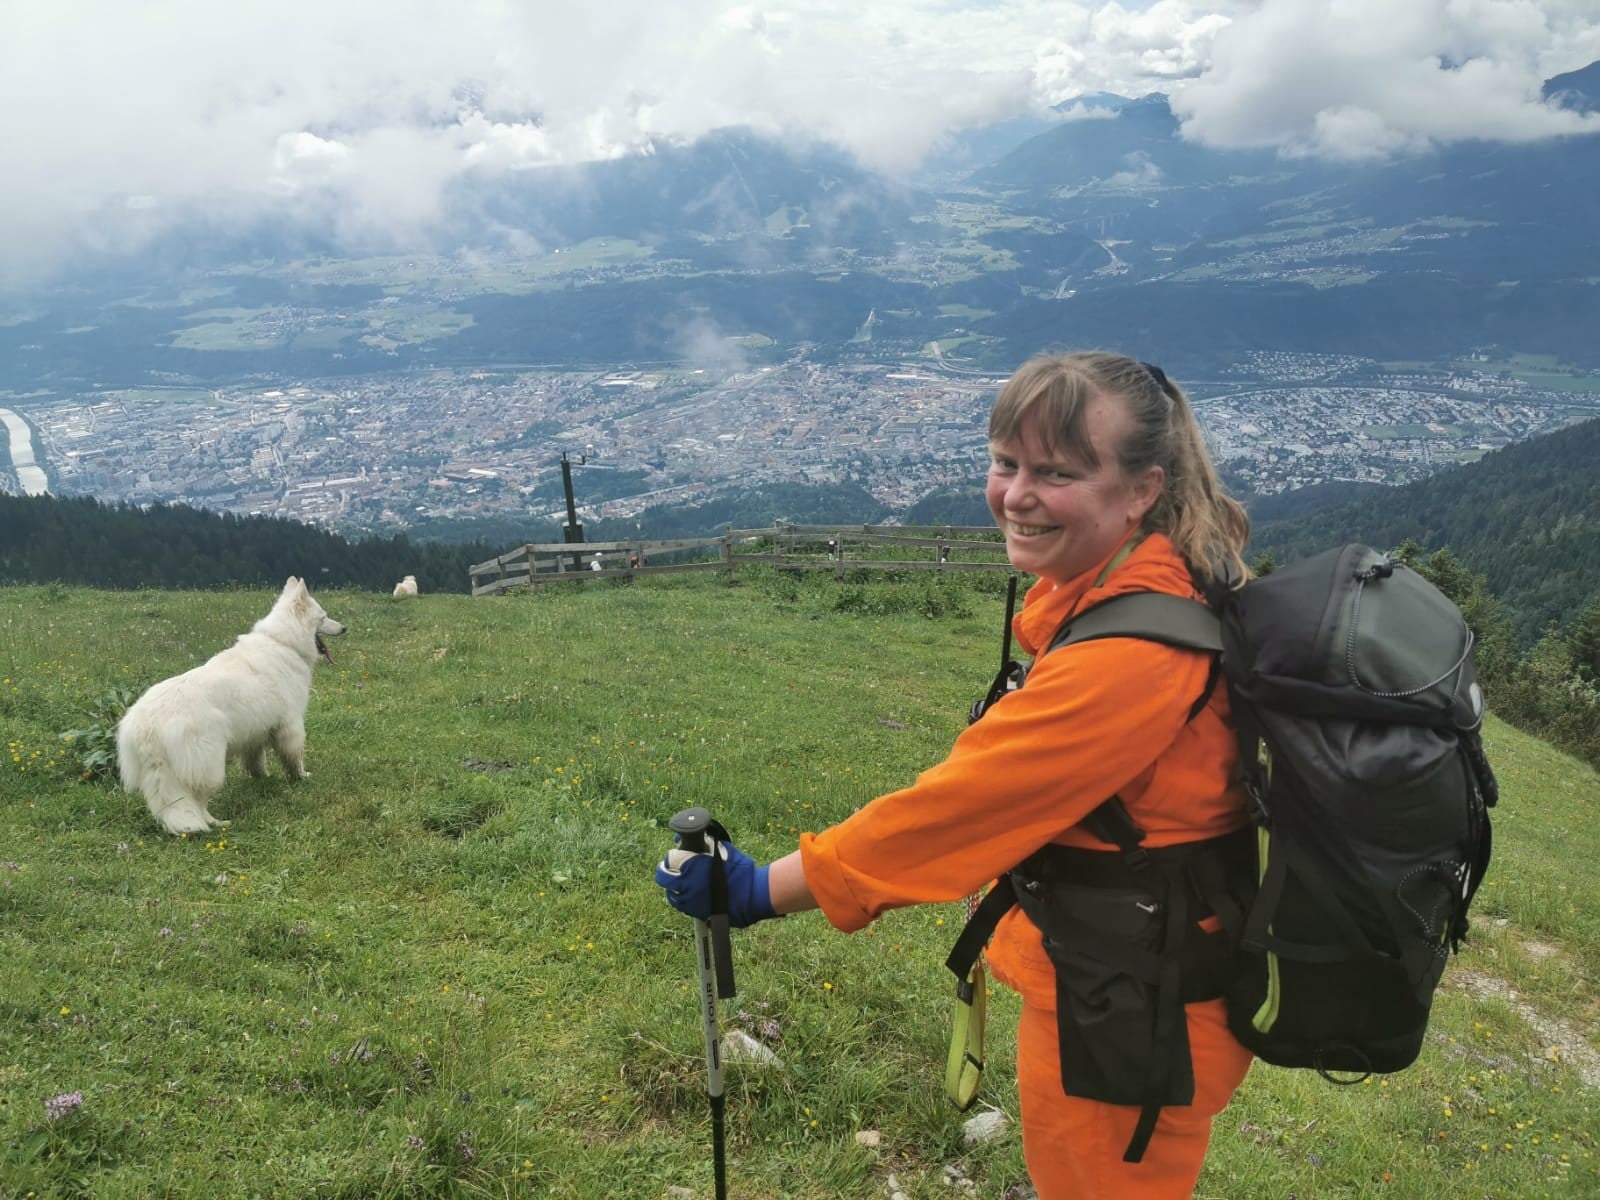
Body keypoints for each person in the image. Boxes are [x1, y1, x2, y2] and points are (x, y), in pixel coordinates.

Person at [656, 351, 1254, 1199]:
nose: (1016, 494)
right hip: (1130, 987)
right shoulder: (1150, 580)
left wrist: (756, 891)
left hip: (1132, 1020)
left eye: (1057, 472)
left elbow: (960, 810)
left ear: (1141, 490)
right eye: (1006, 463)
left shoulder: (1131, 656)